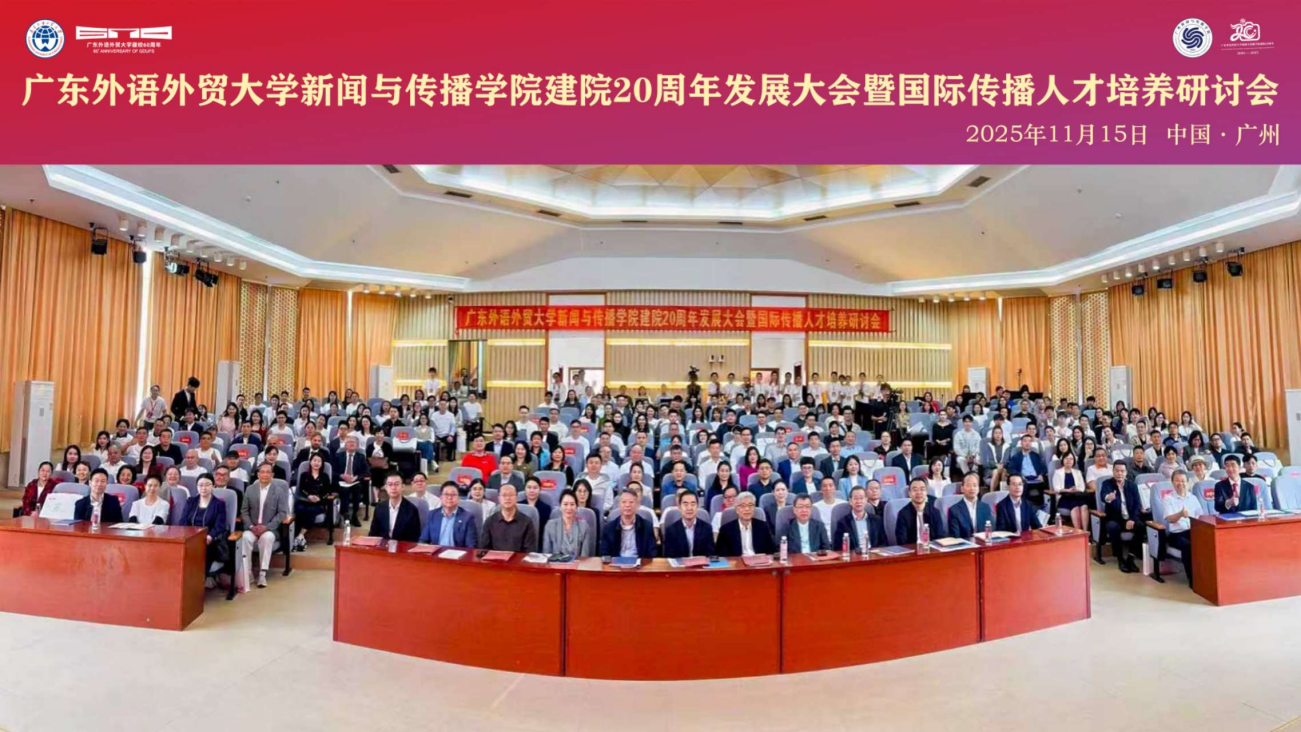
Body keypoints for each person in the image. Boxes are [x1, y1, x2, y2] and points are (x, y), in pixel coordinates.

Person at [239, 463, 291, 588]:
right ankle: (248, 573)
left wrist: (267, 527)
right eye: (262, 472)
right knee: (245, 538)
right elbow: (244, 511)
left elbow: (282, 513)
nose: (265, 475)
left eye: (268, 472)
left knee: (266, 538)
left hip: (270, 529)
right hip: (252, 528)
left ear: (272, 475)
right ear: (258, 474)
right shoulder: (250, 489)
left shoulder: (279, 491)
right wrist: (251, 526)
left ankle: (262, 574)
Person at [179, 473, 230, 589]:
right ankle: (184, 584)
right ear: (196, 486)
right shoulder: (191, 501)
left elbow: (220, 525)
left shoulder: (219, 504)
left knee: (202, 551)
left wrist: (210, 536)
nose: (204, 488)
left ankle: (198, 584)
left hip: (208, 540)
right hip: (190, 538)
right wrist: (188, 537)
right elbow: (183, 521)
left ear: (213, 486)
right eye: (200, 485)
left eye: (207, 485)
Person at [1099, 462, 1144, 573]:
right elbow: (1103, 496)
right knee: (1113, 527)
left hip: (1129, 518)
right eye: (1117, 471)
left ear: (1126, 472)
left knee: (1141, 526)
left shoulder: (1132, 485)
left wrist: (1132, 519)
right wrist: (1108, 498)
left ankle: (1131, 557)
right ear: (1113, 471)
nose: (1119, 473)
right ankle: (1120, 559)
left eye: (1122, 471)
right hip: (1114, 518)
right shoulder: (1107, 484)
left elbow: (1137, 505)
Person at [1160, 469, 1202, 589]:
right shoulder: (1168, 498)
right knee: (1188, 546)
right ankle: (1192, 579)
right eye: (1177, 481)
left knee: (1205, 542)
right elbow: (1169, 519)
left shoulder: (1193, 498)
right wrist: (1180, 514)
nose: (1180, 483)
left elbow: (1200, 516)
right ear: (1172, 482)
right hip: (1176, 534)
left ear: (1187, 482)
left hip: (1192, 531)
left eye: (1183, 481)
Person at [293, 453, 336, 550]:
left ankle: (300, 536)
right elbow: (301, 489)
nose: (316, 463)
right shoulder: (304, 475)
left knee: (311, 510)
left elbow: (328, 491)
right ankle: (300, 538)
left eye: (319, 461)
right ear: (310, 462)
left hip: (319, 503)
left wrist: (320, 498)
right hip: (305, 500)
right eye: (314, 460)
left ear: (322, 463)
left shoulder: (325, 476)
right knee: (300, 508)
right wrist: (309, 496)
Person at [716, 491, 777, 557]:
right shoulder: (726, 530)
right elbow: (721, 554)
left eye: (750, 505)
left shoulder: (763, 526)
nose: (747, 509)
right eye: (743, 506)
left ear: (754, 508)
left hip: (758, 562)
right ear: (737, 510)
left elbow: (772, 551)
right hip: (738, 562)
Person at [599, 489, 657, 558]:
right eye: (624, 502)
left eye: (631, 502)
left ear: (637, 505)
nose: (627, 505)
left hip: (639, 563)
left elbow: (651, 553)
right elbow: (604, 553)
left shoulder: (647, 526)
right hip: (616, 563)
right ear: (619, 505)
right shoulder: (609, 527)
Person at [421, 481, 480, 548]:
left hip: (458, 554)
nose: (449, 497)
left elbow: (471, 546)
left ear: (459, 498)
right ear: (440, 497)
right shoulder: (432, 515)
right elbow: (423, 540)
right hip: (437, 553)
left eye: (453, 494)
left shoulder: (467, 518)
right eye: (446, 494)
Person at [480, 484, 537, 552]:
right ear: (499, 498)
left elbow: (529, 551)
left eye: (511, 495)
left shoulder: (526, 522)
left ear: (516, 498)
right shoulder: (490, 522)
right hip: (495, 558)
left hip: (518, 559)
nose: (507, 498)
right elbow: (484, 549)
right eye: (504, 495)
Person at [369, 474, 422, 543]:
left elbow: (413, 539)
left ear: (403, 487)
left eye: (396, 484)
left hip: (402, 547)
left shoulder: (412, 510)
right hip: (382, 546)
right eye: (390, 484)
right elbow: (373, 533)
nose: (393, 488)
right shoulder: (379, 507)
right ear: (386, 487)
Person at [662, 489, 715, 558]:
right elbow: (669, 557)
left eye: (693, 504)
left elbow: (710, 555)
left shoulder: (707, 528)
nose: (689, 508)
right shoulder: (671, 530)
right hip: (680, 565)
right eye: (685, 504)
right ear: (679, 507)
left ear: (697, 506)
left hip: (701, 564)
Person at [541, 489, 593, 557]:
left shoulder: (584, 527)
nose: (569, 508)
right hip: (554, 563)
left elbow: (584, 557)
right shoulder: (550, 526)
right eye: (565, 504)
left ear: (576, 507)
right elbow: (546, 555)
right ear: (560, 506)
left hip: (577, 563)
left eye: (572, 504)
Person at [333, 435, 370, 527]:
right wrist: (341, 476)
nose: (352, 444)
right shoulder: (338, 456)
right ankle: (345, 515)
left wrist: (356, 477)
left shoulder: (361, 457)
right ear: (345, 445)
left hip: (355, 482)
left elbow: (366, 472)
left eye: (354, 442)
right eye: (349, 442)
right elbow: (332, 471)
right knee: (344, 490)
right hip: (341, 481)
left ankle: (354, 515)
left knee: (357, 488)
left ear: (357, 446)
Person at [834, 486, 885, 552]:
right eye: (855, 498)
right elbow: (838, 547)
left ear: (866, 500)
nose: (859, 501)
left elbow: (884, 543)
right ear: (850, 501)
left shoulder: (877, 520)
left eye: (861, 498)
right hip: (854, 555)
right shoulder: (843, 523)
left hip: (874, 555)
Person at [895, 478, 945, 545]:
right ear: (909, 493)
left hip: (932, 549)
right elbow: (901, 541)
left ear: (926, 492)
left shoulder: (935, 512)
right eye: (915, 490)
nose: (919, 493)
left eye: (922, 489)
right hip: (912, 550)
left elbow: (940, 537)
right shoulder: (903, 514)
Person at [1050, 451, 1090, 530]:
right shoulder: (1057, 472)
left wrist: (1075, 489)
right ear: (1063, 460)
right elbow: (1057, 488)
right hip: (1064, 497)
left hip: (1077, 496)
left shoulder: (1077, 472)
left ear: (1074, 461)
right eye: (1066, 458)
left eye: (1071, 459)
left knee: (1084, 506)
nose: (1069, 461)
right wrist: (1068, 490)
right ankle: (1078, 532)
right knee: (1075, 506)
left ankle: (1085, 532)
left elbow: (1082, 488)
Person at [946, 473, 993, 540]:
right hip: (964, 545)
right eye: (968, 485)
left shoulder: (986, 508)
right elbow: (955, 538)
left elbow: (989, 532)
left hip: (983, 544)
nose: (972, 488)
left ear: (978, 489)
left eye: (975, 485)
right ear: (962, 489)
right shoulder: (954, 510)